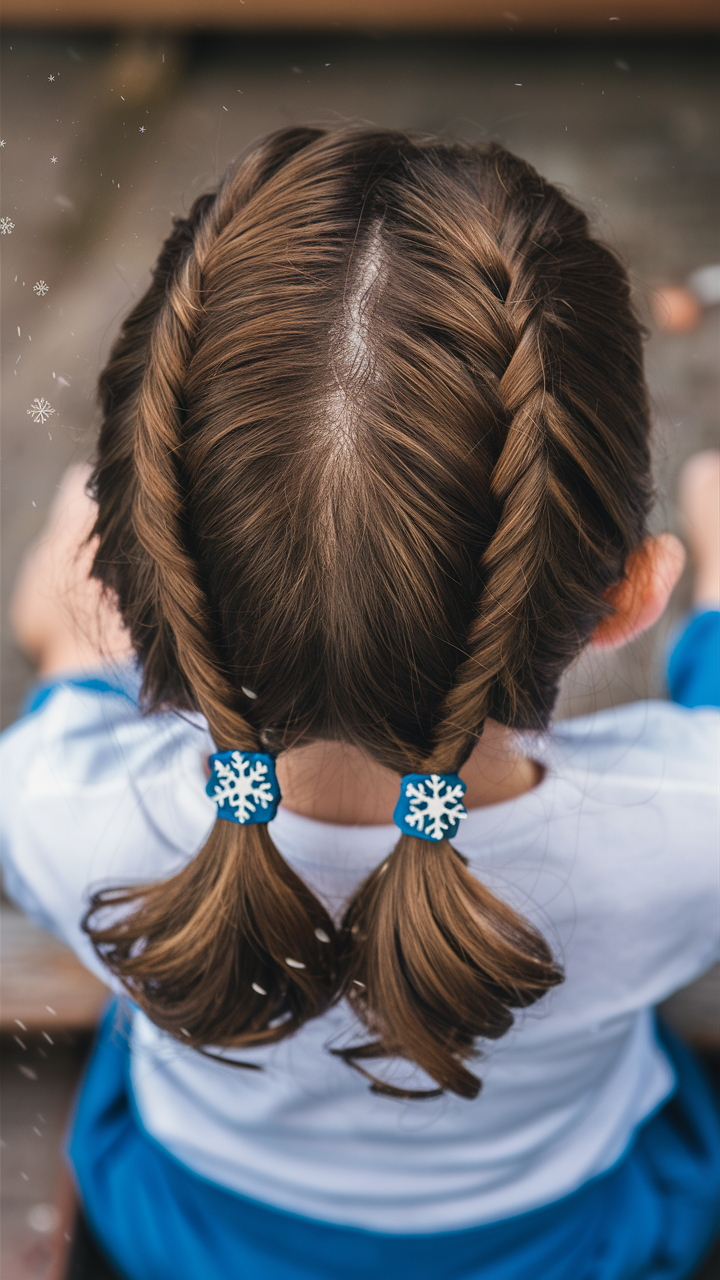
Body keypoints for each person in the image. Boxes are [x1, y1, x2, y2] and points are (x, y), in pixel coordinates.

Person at [2, 128, 718, 1280]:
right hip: (567, 1246)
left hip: (188, 1240)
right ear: (629, 595)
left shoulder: (57, 803)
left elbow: (66, 711)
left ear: (129, 584)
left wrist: (67, 664)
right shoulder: (688, 831)